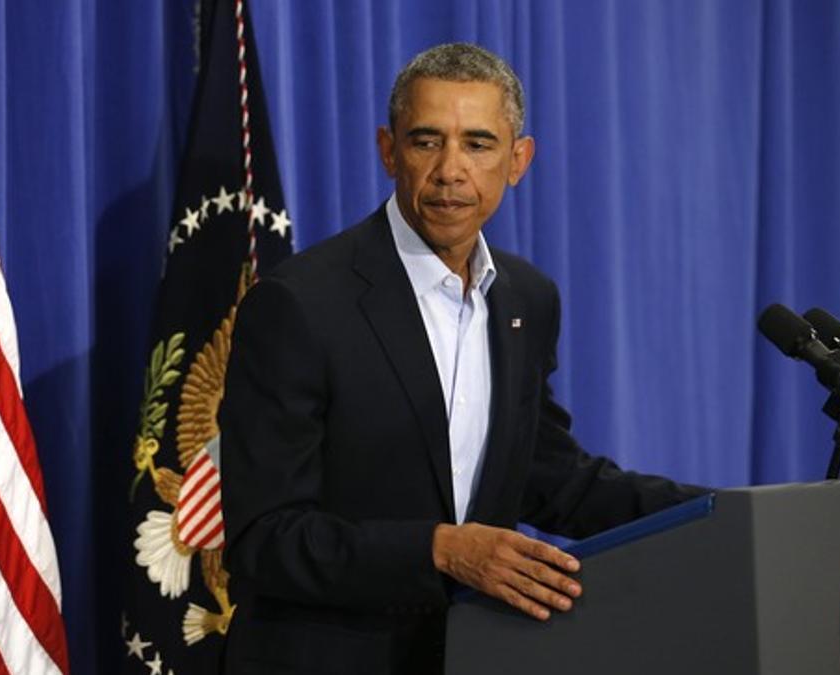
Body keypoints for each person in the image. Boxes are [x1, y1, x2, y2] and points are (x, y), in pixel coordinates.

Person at [218, 42, 705, 675]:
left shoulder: (526, 299)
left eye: (478, 144)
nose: (451, 170)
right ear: (388, 150)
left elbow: (547, 477)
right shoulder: (300, 305)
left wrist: (726, 514)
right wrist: (440, 551)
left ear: (518, 160)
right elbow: (265, 539)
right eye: (426, 142)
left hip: (473, 656)